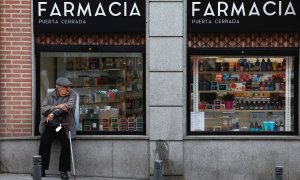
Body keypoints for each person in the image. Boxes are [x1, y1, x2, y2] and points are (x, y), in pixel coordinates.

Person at [38, 77, 77, 179]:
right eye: (65, 87)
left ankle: (64, 171)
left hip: (63, 126)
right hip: (51, 125)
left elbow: (69, 107)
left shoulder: (72, 94)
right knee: (44, 141)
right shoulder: (50, 95)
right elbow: (43, 109)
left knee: (65, 143)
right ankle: (41, 170)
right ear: (58, 88)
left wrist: (53, 113)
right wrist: (57, 106)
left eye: (69, 87)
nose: (68, 89)